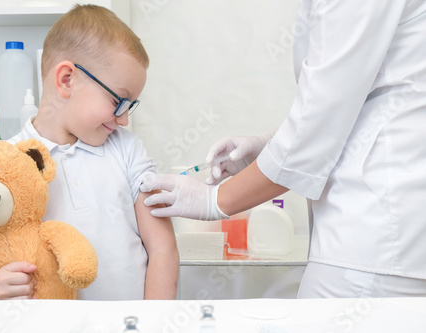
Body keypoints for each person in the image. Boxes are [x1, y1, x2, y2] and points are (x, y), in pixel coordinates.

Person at [141, 0, 426, 298]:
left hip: (380, 232)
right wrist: (268, 145)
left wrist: (214, 200)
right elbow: (342, 104)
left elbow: (322, 116)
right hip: (383, 227)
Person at [0, 4, 179, 300]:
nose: (124, 119)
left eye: (130, 106)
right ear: (67, 80)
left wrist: (155, 322)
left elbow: (163, 249)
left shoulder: (128, 149)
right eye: (119, 101)